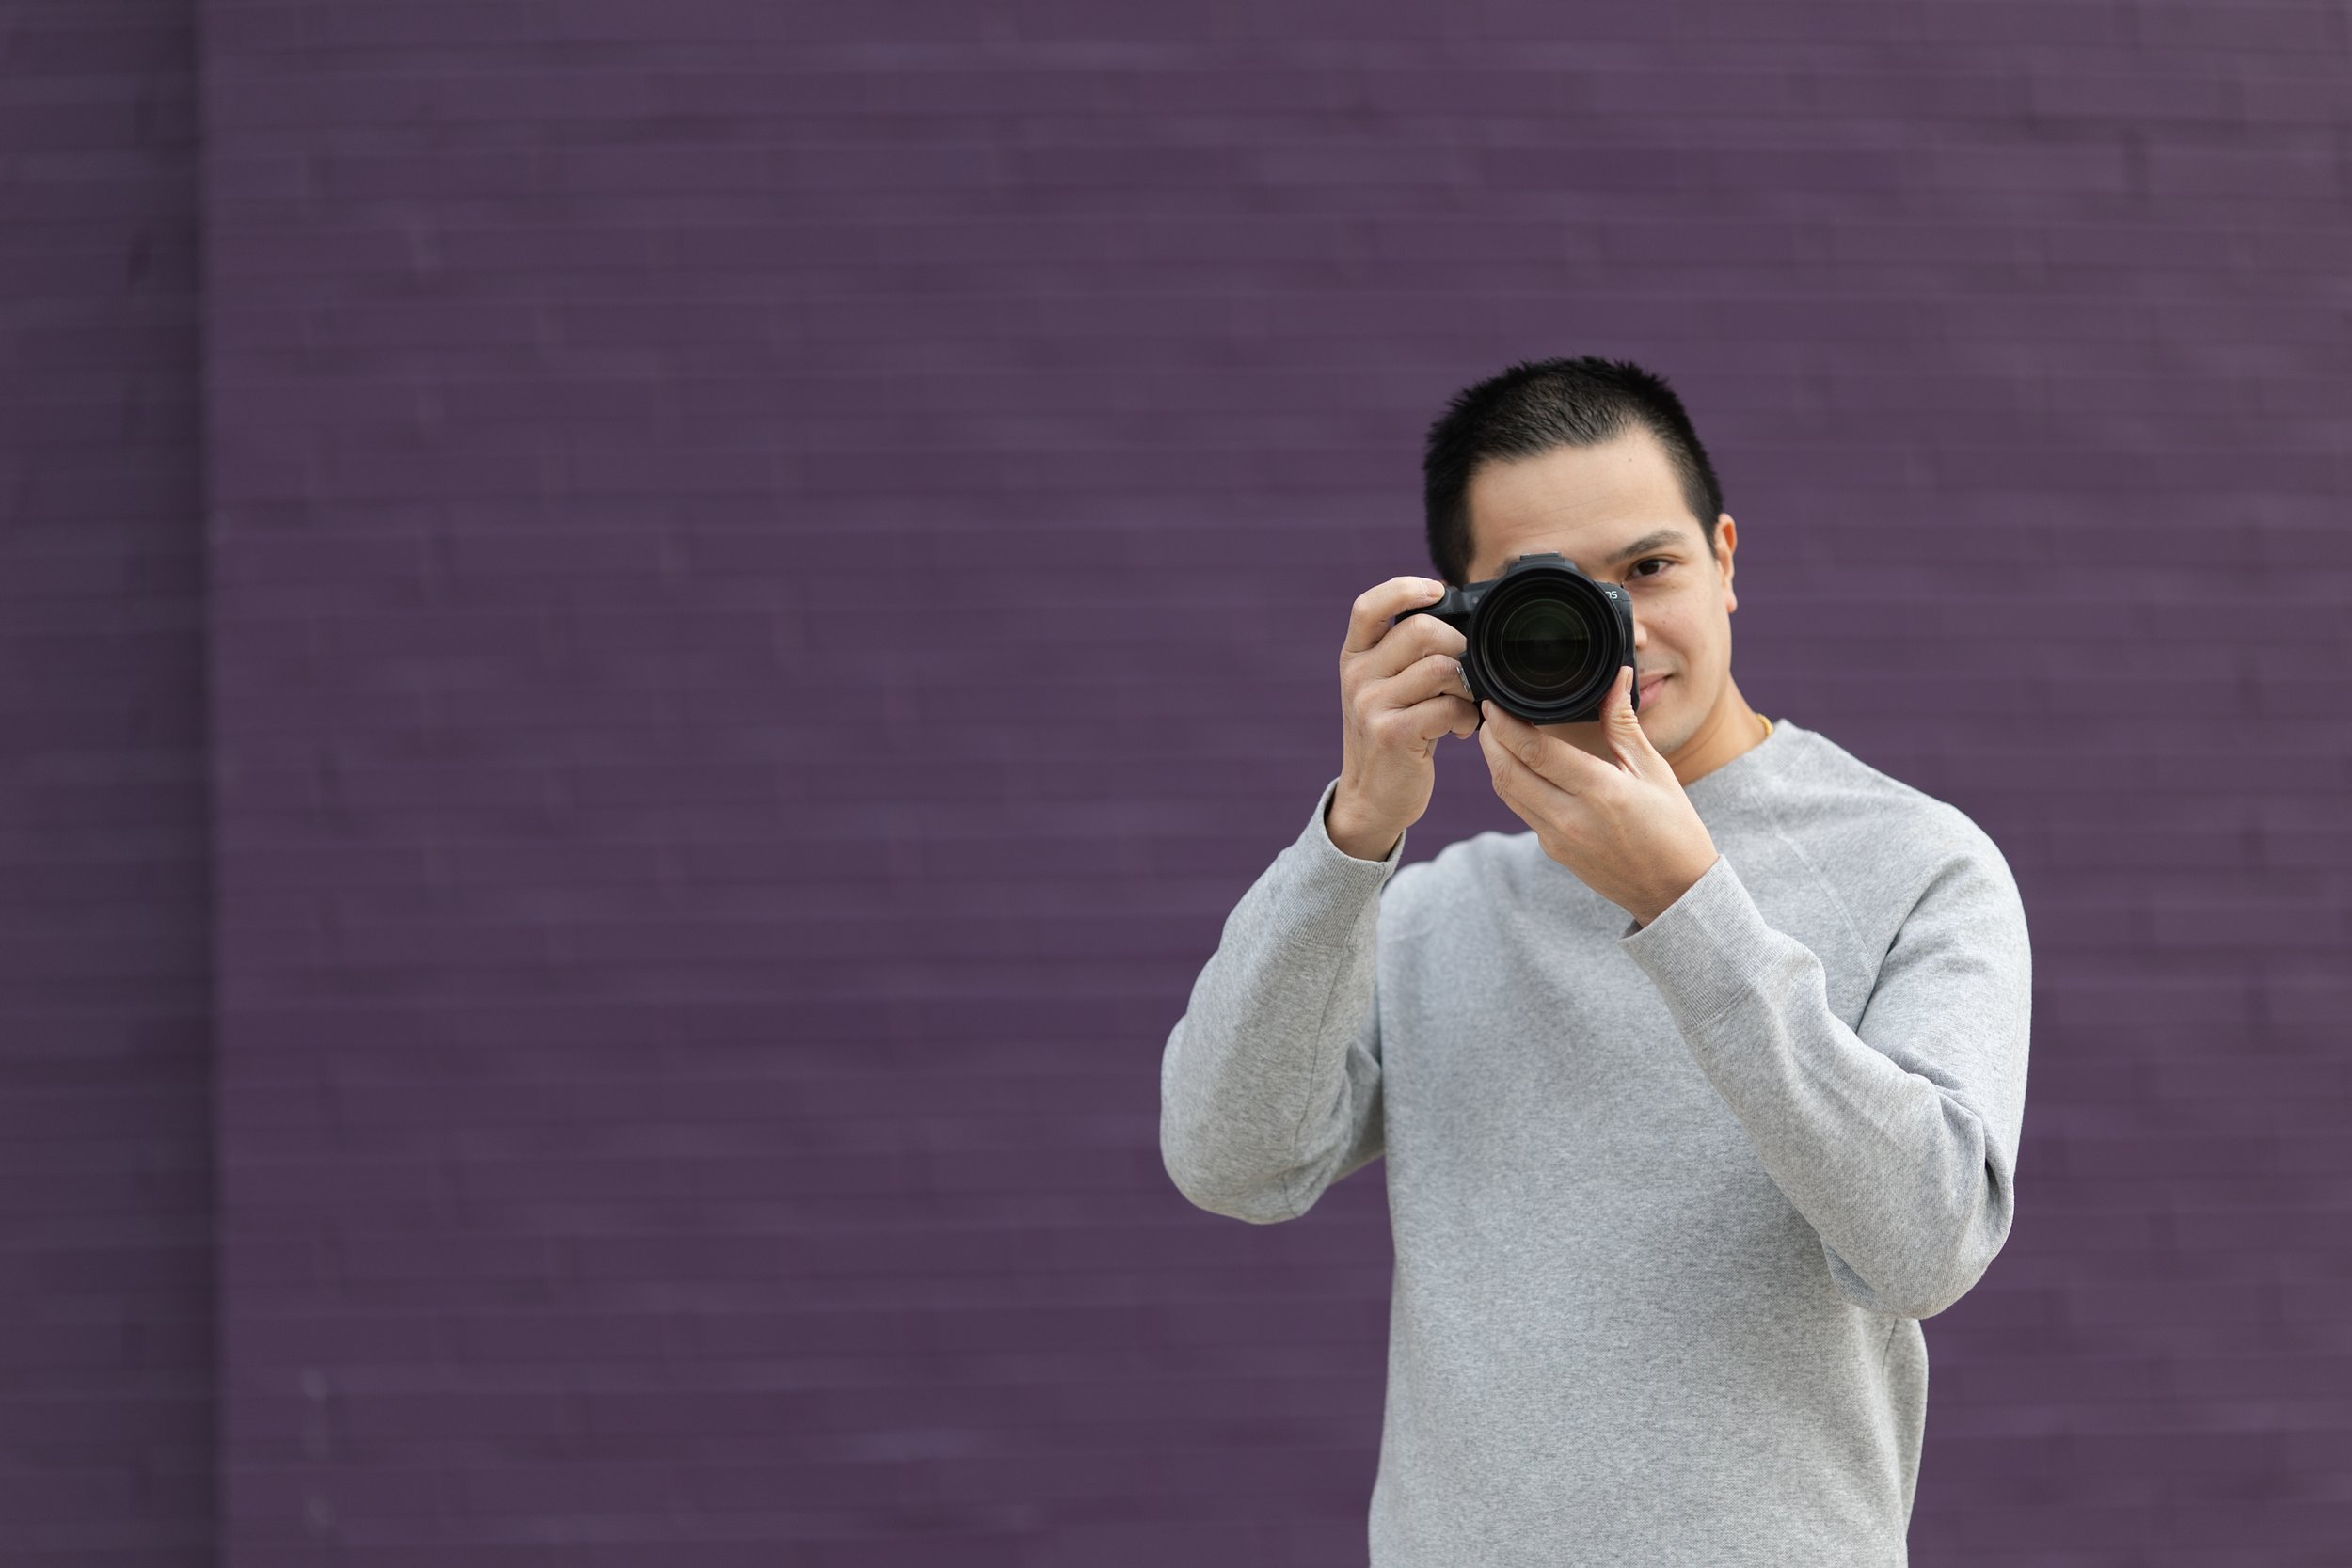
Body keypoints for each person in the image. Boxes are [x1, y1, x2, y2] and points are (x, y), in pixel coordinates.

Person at [1158, 356, 2033, 1566]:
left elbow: (1925, 1247)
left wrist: (1684, 906)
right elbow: (1231, 1160)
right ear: (1457, 621)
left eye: (1648, 568)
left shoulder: (1918, 865)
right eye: (1544, 592)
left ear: (1725, 559)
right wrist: (1354, 826)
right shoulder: (1430, 910)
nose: (1613, 625)